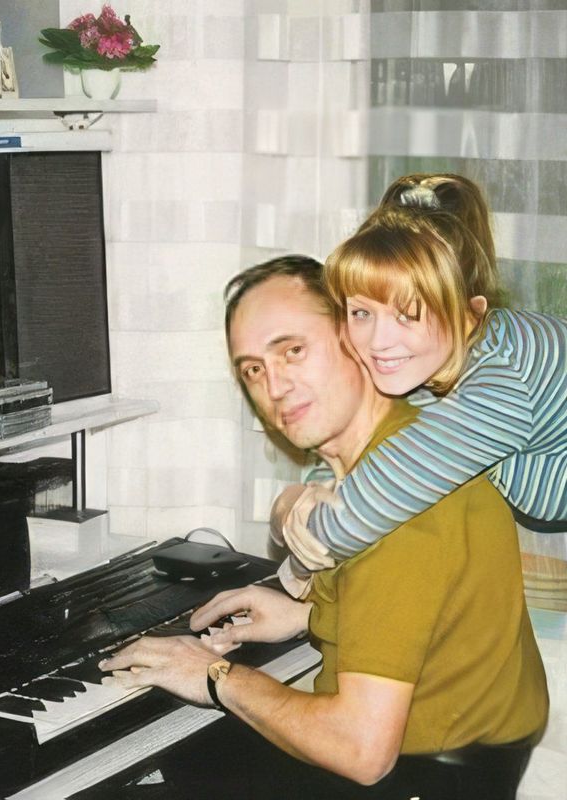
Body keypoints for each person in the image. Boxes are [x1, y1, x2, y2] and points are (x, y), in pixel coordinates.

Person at [99, 256, 548, 800]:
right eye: (253, 369)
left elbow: (360, 753)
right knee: (186, 755)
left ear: (355, 340)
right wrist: (310, 614)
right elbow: (421, 613)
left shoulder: (395, 507)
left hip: (421, 772)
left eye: (293, 350)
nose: (275, 386)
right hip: (457, 748)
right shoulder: (404, 456)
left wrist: (213, 675)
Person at [274, 174, 566, 579]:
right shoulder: (432, 353)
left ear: (468, 307)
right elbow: (355, 451)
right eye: (361, 312)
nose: (379, 342)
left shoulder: (499, 386)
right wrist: (308, 493)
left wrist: (289, 522)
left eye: (409, 312)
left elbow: (345, 524)